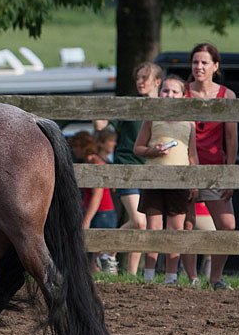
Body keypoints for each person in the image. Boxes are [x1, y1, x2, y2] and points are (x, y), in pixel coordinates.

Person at [94, 62, 164, 275]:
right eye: (138, 78)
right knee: (139, 221)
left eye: (145, 78)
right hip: (127, 167)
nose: (140, 82)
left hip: (153, 169)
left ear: (157, 82)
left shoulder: (165, 106)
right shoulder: (130, 105)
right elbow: (103, 127)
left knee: (143, 225)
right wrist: (97, 114)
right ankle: (106, 253)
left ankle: (131, 274)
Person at [134, 76, 199, 285]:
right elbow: (138, 148)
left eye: (174, 92)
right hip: (154, 179)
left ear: (183, 95)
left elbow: (192, 155)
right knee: (154, 228)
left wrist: (194, 181)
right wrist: (153, 151)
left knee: (175, 229)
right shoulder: (153, 118)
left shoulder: (189, 123)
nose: (169, 95)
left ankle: (172, 275)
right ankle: (149, 274)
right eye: (165, 91)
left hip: (179, 181)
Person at [184, 42, 237, 290]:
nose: (199, 67)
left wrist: (229, 173)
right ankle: (192, 278)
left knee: (227, 225)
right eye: (195, 62)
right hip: (186, 166)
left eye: (204, 62)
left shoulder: (226, 96)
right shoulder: (180, 93)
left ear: (215, 66)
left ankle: (216, 277)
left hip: (215, 168)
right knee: (186, 224)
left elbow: (231, 138)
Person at [70, 131, 118, 273]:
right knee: (92, 257)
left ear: (83, 146)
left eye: (76, 146)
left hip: (102, 213)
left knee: (96, 257)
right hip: (98, 212)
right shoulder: (88, 162)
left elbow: (97, 195)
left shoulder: (95, 163)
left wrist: (87, 220)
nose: (74, 150)